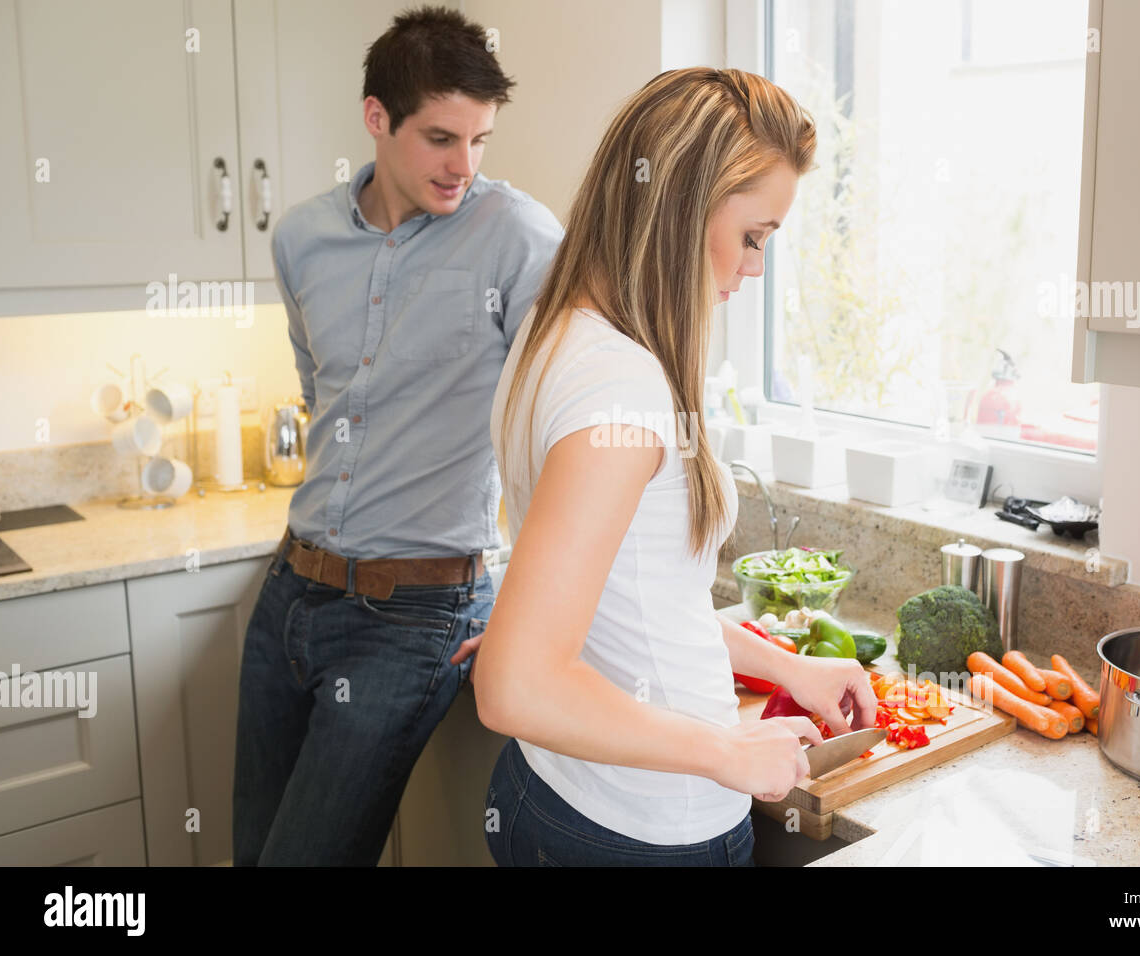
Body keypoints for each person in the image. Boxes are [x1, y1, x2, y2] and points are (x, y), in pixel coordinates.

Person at [472, 67, 877, 867]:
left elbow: (646, 610)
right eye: (754, 234)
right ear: (681, 209)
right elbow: (513, 683)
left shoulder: (557, 334)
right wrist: (726, 751)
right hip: (636, 830)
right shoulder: (621, 389)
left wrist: (788, 665)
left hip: (566, 796)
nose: (756, 267)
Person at [232, 5, 563, 866]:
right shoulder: (301, 238)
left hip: (413, 615)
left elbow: (554, 436)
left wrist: (535, 604)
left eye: (481, 140)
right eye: (441, 138)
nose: (464, 166)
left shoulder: (521, 240)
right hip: (289, 592)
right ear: (376, 118)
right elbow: (325, 400)